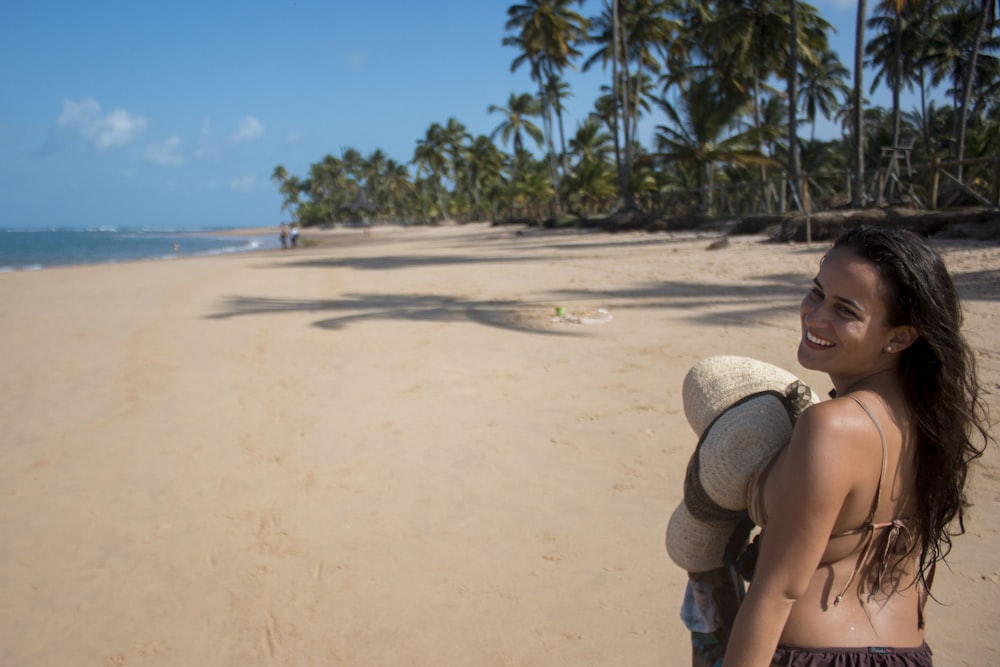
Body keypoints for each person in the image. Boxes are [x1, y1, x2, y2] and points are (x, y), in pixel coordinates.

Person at [722, 225, 991, 666]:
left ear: (899, 337)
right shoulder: (933, 419)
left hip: (815, 654)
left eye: (845, 310)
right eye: (817, 292)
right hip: (907, 653)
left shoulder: (832, 426)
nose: (816, 316)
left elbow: (778, 590)